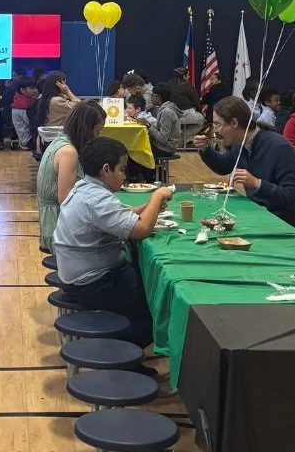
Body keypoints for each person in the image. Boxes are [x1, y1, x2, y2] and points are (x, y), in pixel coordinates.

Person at [53, 136, 173, 350]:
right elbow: (141, 230)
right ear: (106, 170)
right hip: (93, 282)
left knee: (144, 276)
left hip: (75, 274)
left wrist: (147, 209)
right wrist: (157, 196)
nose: (125, 176)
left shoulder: (84, 187)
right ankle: (121, 355)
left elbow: (116, 217)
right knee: (156, 299)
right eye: (122, 170)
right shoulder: (97, 200)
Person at [194, 96, 295, 231]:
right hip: (258, 218)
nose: (215, 130)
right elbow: (223, 166)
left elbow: (294, 197)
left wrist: (256, 183)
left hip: (283, 227)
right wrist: (205, 149)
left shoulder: (279, 148)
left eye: (218, 124)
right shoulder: (239, 144)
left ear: (234, 123)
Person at [37, 100, 107, 252]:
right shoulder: (68, 152)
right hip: (58, 229)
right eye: (97, 131)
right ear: (86, 129)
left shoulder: (61, 142)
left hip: (58, 224)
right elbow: (66, 200)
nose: (97, 136)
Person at [10, 73, 39, 150]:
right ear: (22, 90)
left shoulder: (21, 100)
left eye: (35, 88)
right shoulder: (21, 107)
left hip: (32, 138)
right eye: (32, 88)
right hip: (29, 140)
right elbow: (35, 125)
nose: (35, 90)